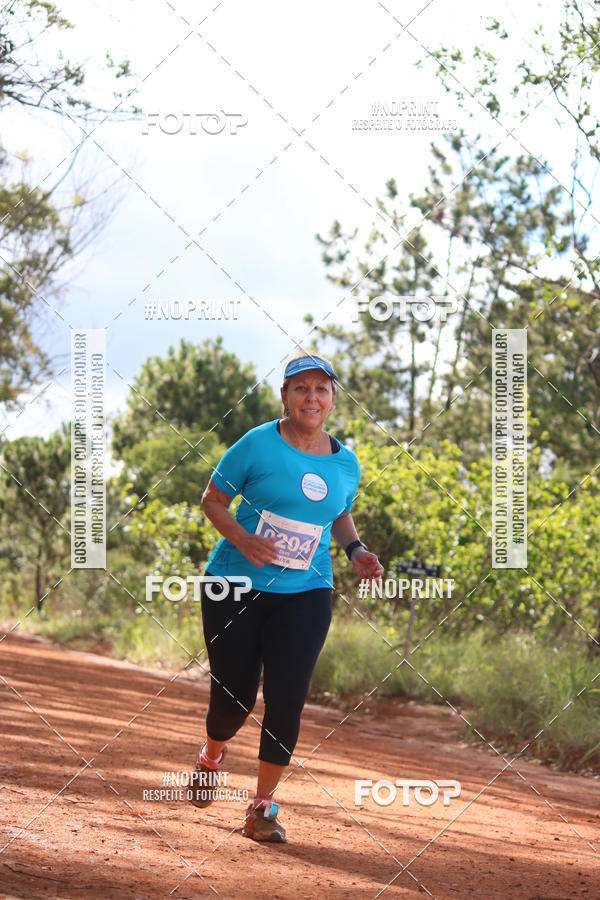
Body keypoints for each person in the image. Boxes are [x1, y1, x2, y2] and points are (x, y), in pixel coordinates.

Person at [190, 352, 384, 842]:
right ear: (285, 396)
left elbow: (338, 514)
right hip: (234, 585)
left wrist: (355, 549)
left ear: (334, 398)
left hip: (307, 589)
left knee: (287, 698)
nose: (311, 398)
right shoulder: (257, 444)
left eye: (321, 389)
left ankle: (262, 808)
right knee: (233, 701)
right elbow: (212, 500)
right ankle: (213, 752)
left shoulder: (346, 462)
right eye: (301, 389)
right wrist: (243, 539)